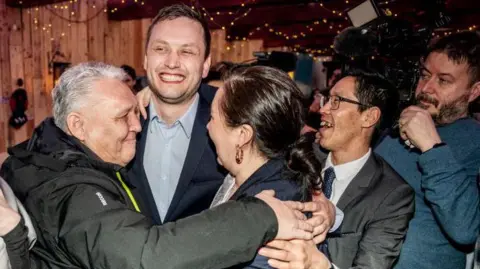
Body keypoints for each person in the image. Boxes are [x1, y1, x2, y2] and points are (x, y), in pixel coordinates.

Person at [0, 62, 317, 269]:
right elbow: (144, 255)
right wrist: (261, 215)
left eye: (134, 112)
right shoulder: (73, 189)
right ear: (78, 126)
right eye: (122, 116)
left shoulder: (71, 157)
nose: (137, 125)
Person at [129, 3, 336, 230]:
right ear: (146, 58)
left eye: (187, 51)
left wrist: (327, 207)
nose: (171, 62)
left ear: (206, 65)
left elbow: (293, 156)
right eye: (161, 49)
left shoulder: (231, 109)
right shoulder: (120, 116)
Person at [260, 70, 415, 269]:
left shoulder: (391, 195)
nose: (323, 109)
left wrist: (319, 265)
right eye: (326, 99)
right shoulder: (300, 156)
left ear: (369, 117)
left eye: (336, 101)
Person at [375, 31, 480, 269]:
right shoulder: (396, 124)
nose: (426, 88)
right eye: (425, 76)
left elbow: (466, 229)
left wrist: (432, 146)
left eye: (443, 80)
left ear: (473, 92)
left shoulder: (475, 141)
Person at [207, 65, 328, 268]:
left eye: (212, 117)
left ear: (242, 135)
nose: (208, 125)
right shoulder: (250, 175)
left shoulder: (274, 211)